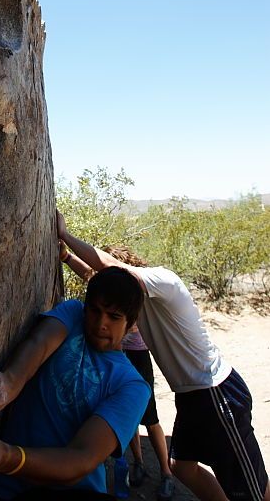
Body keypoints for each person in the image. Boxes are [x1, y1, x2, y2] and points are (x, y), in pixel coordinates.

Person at [57, 211, 270, 501]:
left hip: (216, 392)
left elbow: (108, 268)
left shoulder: (165, 281)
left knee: (249, 489)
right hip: (192, 395)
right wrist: (68, 257)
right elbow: (98, 281)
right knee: (180, 467)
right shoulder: (137, 303)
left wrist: (65, 233)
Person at [0, 266, 151, 499]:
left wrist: (6, 457)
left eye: (114, 317)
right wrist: (8, 384)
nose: (100, 323)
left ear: (131, 322)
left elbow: (80, 458)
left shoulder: (132, 387)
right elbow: (39, 343)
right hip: (7, 490)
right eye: (95, 310)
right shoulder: (74, 314)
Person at [60, 241, 175, 500]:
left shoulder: (136, 294)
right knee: (127, 417)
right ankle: (138, 463)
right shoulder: (119, 293)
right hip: (120, 353)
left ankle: (166, 471)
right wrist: (67, 257)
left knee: (150, 416)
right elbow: (90, 276)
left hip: (138, 355)